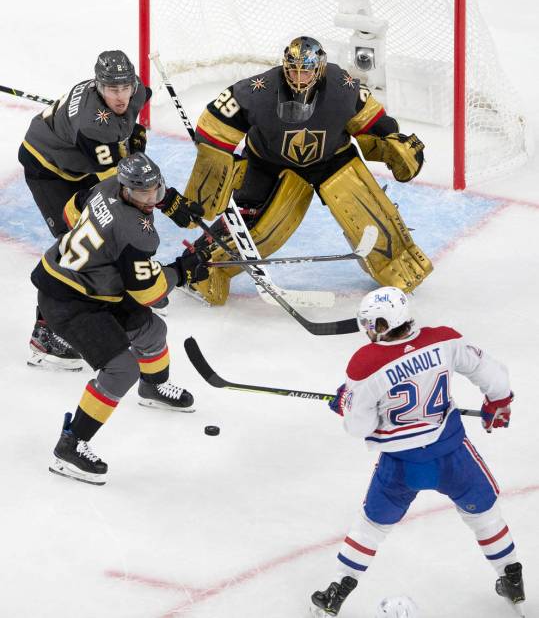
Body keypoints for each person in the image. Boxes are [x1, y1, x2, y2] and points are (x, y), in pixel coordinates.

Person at [310, 287, 525, 617]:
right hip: (452, 455)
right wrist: (498, 402)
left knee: (371, 526)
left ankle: (339, 587)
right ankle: (511, 576)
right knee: (484, 515)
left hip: (401, 465)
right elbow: (492, 373)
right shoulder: (445, 339)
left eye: (371, 324)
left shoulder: (365, 365)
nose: (367, 330)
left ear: (383, 324)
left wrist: (346, 403)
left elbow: (359, 427)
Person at [180, 36, 431, 306]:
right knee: (254, 227)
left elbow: (373, 122)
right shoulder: (259, 89)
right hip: (269, 161)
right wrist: (215, 162)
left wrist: (391, 142)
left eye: (306, 70)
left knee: (366, 208)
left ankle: (398, 265)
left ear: (319, 68)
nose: (299, 77)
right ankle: (200, 267)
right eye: (293, 69)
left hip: (332, 157)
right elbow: (214, 124)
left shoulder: (341, 85)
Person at [30, 153, 209, 485]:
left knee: (153, 330)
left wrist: (165, 204)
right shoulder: (135, 231)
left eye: (157, 190)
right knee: (121, 368)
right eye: (144, 194)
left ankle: (153, 386)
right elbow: (149, 294)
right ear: (127, 190)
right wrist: (182, 273)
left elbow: (72, 210)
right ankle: (71, 445)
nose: (151, 199)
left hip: (88, 282)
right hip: (68, 300)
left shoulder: (107, 184)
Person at [18, 50, 198, 369]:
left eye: (125, 87)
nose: (121, 96)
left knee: (110, 227)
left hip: (77, 157)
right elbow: (121, 185)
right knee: (78, 236)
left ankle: (136, 282)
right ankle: (45, 335)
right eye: (113, 90)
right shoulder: (92, 125)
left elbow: (137, 113)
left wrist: (134, 137)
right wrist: (169, 200)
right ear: (98, 86)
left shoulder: (135, 90)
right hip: (48, 166)